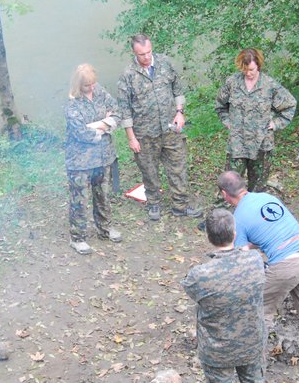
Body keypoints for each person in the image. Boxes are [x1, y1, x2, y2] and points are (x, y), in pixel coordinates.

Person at [218, 171, 299, 380]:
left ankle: (255, 370)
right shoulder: (268, 198)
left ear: (225, 194)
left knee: (261, 312)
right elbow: (270, 231)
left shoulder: (238, 217)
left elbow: (241, 255)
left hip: (286, 266)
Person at [182, 209, 276, 383]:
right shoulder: (255, 261)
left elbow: (191, 291)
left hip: (217, 349)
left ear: (209, 238)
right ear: (234, 233)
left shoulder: (200, 274)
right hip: (252, 343)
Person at [117, 33, 202, 221]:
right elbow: (124, 110)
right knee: (149, 169)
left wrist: (180, 112)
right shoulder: (128, 75)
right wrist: (131, 137)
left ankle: (180, 205)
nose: (146, 57)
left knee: (178, 167)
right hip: (145, 133)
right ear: (134, 53)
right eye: (141, 55)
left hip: (171, 129)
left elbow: (177, 90)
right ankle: (153, 203)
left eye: (148, 52)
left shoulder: (165, 63)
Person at [215, 48, 296, 192]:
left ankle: (253, 211)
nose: (248, 73)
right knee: (230, 183)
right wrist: (227, 121)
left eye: (251, 69)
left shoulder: (269, 85)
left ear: (258, 65)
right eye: (245, 69)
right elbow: (220, 105)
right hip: (237, 143)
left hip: (262, 143)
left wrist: (276, 123)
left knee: (258, 188)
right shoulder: (232, 83)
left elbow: (290, 104)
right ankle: (224, 213)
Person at [64, 63, 123, 255]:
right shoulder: (72, 104)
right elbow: (81, 133)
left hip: (103, 156)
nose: (91, 88)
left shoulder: (99, 91)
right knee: (80, 200)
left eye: (92, 84)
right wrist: (104, 127)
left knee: (103, 195)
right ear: (78, 85)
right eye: (86, 86)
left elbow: (117, 112)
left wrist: (99, 124)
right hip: (80, 161)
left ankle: (105, 229)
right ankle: (78, 237)